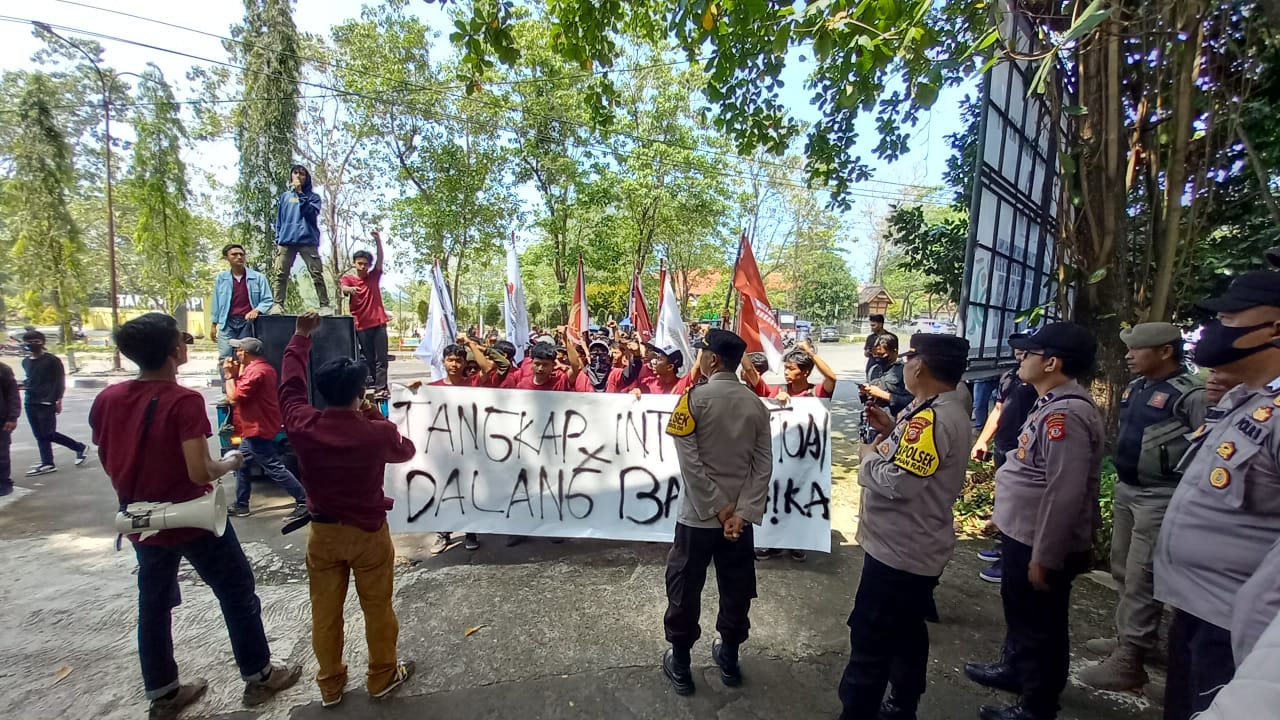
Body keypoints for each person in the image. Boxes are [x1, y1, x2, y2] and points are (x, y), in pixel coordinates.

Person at [89, 313, 300, 720]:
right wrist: (231, 462)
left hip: (140, 519)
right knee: (236, 590)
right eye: (181, 340)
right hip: (191, 517)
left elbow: (109, 454)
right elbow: (199, 471)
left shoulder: (108, 399)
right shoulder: (182, 402)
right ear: (173, 351)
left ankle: (164, 693)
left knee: (153, 603)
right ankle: (260, 676)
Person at [1154, 270, 1280, 720]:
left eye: (1230, 317)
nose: (1214, 328)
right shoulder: (1245, 397)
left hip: (1236, 628)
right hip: (1196, 608)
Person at [964, 321, 1104, 720]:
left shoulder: (1067, 415)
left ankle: (1037, 705)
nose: (1022, 358)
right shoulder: (1047, 402)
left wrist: (1045, 555)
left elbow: (1064, 491)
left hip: (1040, 542)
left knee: (1041, 625)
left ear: (1052, 362)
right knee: (1021, 614)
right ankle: (1016, 670)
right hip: (1022, 532)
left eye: (1031, 353)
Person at [281, 312, 417, 707]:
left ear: (321, 392)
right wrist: (372, 412)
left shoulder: (303, 424)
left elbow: (289, 387)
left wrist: (299, 339)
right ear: (361, 391)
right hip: (368, 534)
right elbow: (404, 451)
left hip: (322, 534)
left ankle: (330, 686)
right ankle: (381, 676)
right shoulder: (376, 431)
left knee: (325, 613)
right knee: (378, 608)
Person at [839, 334, 971, 720]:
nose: (907, 364)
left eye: (911, 357)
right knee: (907, 631)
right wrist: (890, 429)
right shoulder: (935, 408)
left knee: (871, 639)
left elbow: (900, 482)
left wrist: (867, 458)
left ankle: (859, 711)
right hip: (912, 545)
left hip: (900, 550)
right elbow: (917, 461)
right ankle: (902, 703)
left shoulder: (933, 418)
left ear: (921, 366)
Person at [1077, 323, 1205, 692]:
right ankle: (1130, 637)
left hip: (1161, 496)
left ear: (1165, 351)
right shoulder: (1138, 387)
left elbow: (1207, 448)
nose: (1129, 355)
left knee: (1142, 574)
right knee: (1122, 567)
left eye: (1137, 349)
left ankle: (1130, 659)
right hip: (1128, 489)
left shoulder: (1191, 394)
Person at [660, 328, 771, 696]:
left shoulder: (692, 400)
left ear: (711, 360)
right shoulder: (755, 404)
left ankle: (680, 664)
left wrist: (718, 509)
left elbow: (690, 465)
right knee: (737, 588)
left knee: (685, 587)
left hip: (698, 517)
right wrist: (742, 512)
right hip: (739, 523)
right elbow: (763, 466)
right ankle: (729, 659)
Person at [970, 341, 1044, 584]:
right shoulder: (1010, 377)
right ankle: (1002, 546)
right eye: (1019, 349)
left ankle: (1011, 560)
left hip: (1023, 449)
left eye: (1028, 349)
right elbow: (998, 410)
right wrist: (983, 440)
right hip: (1004, 445)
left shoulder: (1038, 381)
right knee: (1003, 499)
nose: (1021, 353)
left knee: (1017, 506)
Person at [222, 337, 308, 520]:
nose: (235, 353)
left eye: (238, 350)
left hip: (257, 428)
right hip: (255, 426)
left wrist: (229, 376)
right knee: (242, 464)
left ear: (244, 352)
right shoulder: (262, 368)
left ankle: (303, 500)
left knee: (273, 466)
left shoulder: (256, 372)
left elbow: (234, 398)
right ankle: (242, 504)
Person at [22, 329, 88, 476]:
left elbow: (60, 381)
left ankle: (79, 447)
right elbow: (30, 379)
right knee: (39, 434)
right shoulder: (25, 361)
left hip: (47, 401)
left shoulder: (52, 360)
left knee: (48, 433)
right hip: (30, 401)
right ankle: (47, 463)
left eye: (35, 341)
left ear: (42, 343)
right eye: (28, 342)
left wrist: (58, 399)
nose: (32, 345)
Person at [271, 164, 331, 315]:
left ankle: (324, 305)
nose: (298, 176)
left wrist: (300, 193)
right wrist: (278, 238)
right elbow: (280, 219)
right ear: (291, 176)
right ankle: (278, 304)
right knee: (280, 274)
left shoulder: (314, 197)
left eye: (302, 174)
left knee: (316, 273)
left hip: (307, 240)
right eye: (295, 173)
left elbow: (310, 213)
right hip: (286, 241)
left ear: (307, 178)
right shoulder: (285, 197)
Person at [210, 243, 273, 385]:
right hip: (227, 322)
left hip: (247, 323)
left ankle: (245, 386)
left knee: (246, 356)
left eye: (241, 254)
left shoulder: (258, 278)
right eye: (234, 254)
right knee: (225, 357)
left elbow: (268, 299)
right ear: (226, 258)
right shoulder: (222, 278)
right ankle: (227, 391)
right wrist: (214, 324)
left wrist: (256, 310)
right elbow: (216, 301)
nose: (239, 257)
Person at [341, 231, 391, 399]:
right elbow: (344, 288)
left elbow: (380, 258)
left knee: (381, 359)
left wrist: (378, 241)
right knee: (369, 358)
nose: (363, 267)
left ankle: (381, 388)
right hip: (361, 325)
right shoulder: (348, 279)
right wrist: (350, 290)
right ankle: (375, 384)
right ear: (354, 263)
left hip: (378, 323)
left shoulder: (373, 277)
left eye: (366, 264)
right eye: (360, 263)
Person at [773, 340, 838, 401]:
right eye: (785, 368)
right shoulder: (780, 390)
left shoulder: (817, 391)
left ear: (805, 372)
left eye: (791, 369)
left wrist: (809, 352)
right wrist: (778, 399)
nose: (786, 372)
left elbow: (831, 378)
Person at [0, 360, 18, 496]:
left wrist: (12, 418)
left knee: (1, 453)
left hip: (2, 419)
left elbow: (13, 396)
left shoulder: (3, 370)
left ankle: (4, 483)